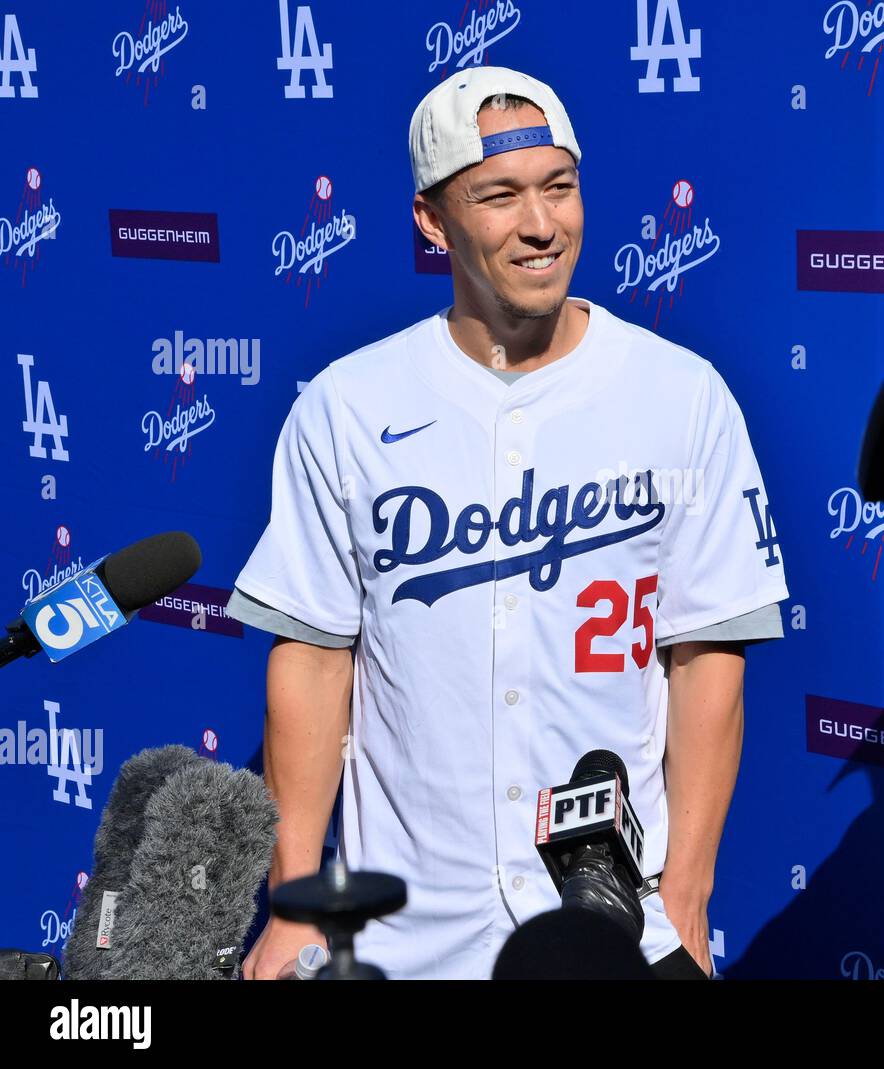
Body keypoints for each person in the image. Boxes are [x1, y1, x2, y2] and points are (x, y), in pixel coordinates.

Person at [228, 66, 789, 979]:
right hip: (405, 931)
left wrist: (685, 894)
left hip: (617, 932)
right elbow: (316, 656)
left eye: (559, 188)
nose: (541, 224)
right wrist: (296, 900)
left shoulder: (682, 395)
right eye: (499, 196)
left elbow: (706, 656)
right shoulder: (346, 405)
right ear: (431, 219)